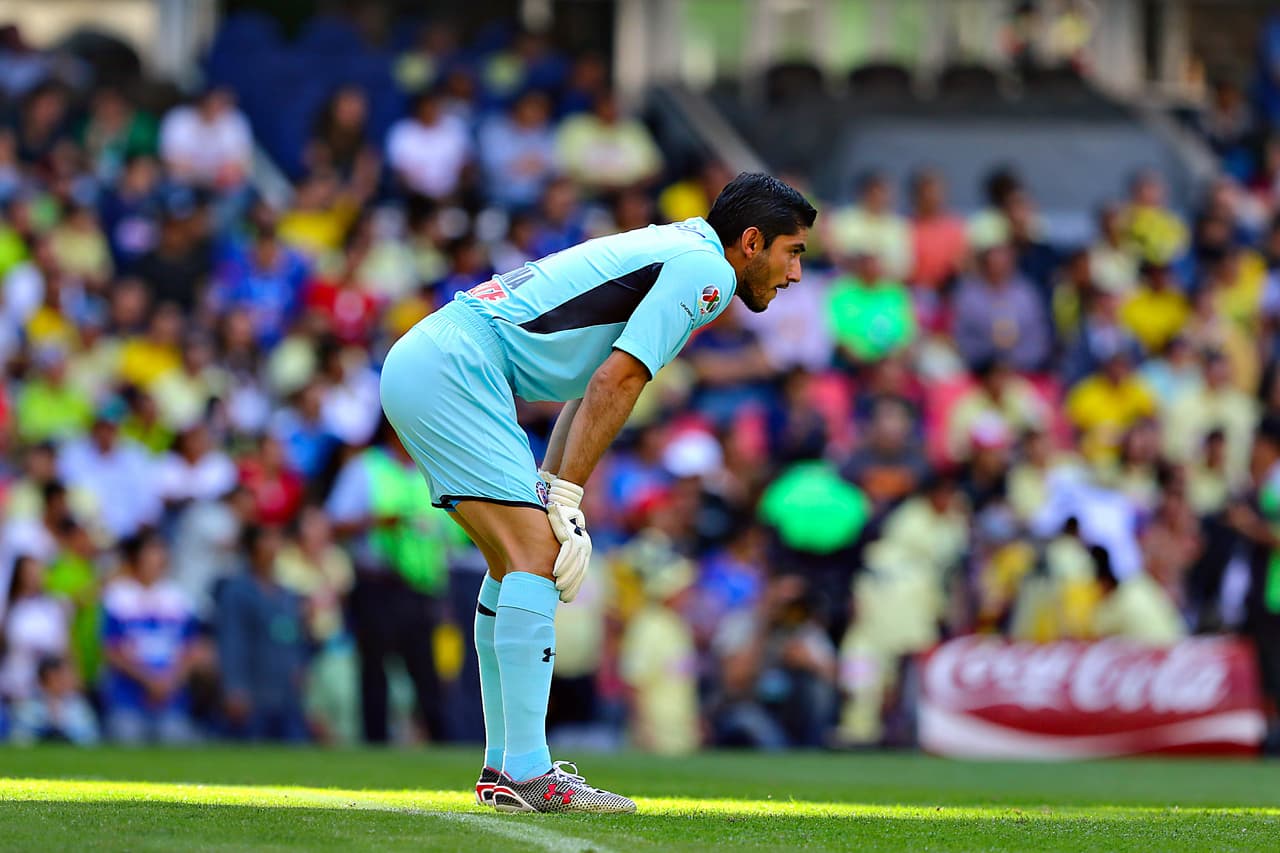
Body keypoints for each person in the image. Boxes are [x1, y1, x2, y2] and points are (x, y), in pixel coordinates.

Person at [380, 172, 815, 813]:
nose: (795, 274)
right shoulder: (707, 273)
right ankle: (530, 771)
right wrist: (567, 497)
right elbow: (618, 383)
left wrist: (557, 489)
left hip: (442, 359)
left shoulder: (682, 249)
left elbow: (588, 390)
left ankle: (506, 769)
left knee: (516, 563)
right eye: (793, 252)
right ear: (752, 241)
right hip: (458, 368)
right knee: (534, 555)